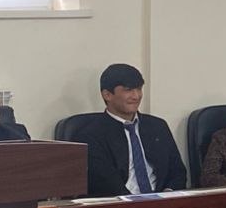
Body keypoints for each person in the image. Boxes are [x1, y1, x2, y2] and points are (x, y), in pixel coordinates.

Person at [78, 63, 187, 196]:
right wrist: (137, 204)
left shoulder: (158, 126)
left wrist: (167, 195)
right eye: (128, 90)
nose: (136, 96)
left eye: (139, 89)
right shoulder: (91, 135)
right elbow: (105, 185)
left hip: (162, 201)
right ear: (107, 95)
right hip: (120, 204)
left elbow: (178, 172)